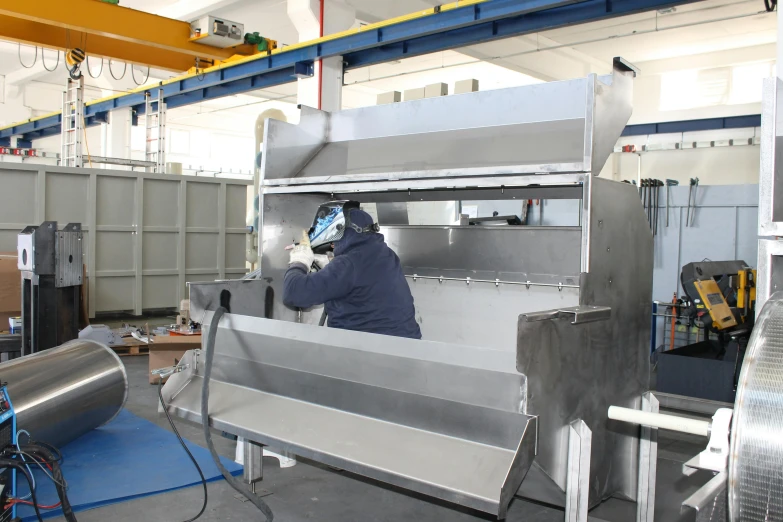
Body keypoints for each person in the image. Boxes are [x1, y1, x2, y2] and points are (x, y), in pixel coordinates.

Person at [283, 201, 422, 339]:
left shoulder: (348, 264)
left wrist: (299, 260)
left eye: (334, 238)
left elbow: (294, 292)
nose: (332, 245)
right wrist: (330, 266)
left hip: (369, 352)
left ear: (341, 231)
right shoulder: (387, 254)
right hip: (405, 346)